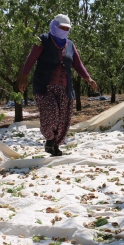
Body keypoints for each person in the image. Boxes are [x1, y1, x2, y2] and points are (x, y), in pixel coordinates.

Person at [17, 13, 98, 156]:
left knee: (63, 118)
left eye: (67, 28)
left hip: (65, 88)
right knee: (52, 112)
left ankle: (55, 144)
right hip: (45, 86)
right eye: (62, 27)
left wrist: (88, 79)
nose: (65, 30)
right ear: (54, 26)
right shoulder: (43, 40)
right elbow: (31, 59)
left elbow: (77, 64)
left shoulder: (70, 45)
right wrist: (23, 77)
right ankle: (49, 138)